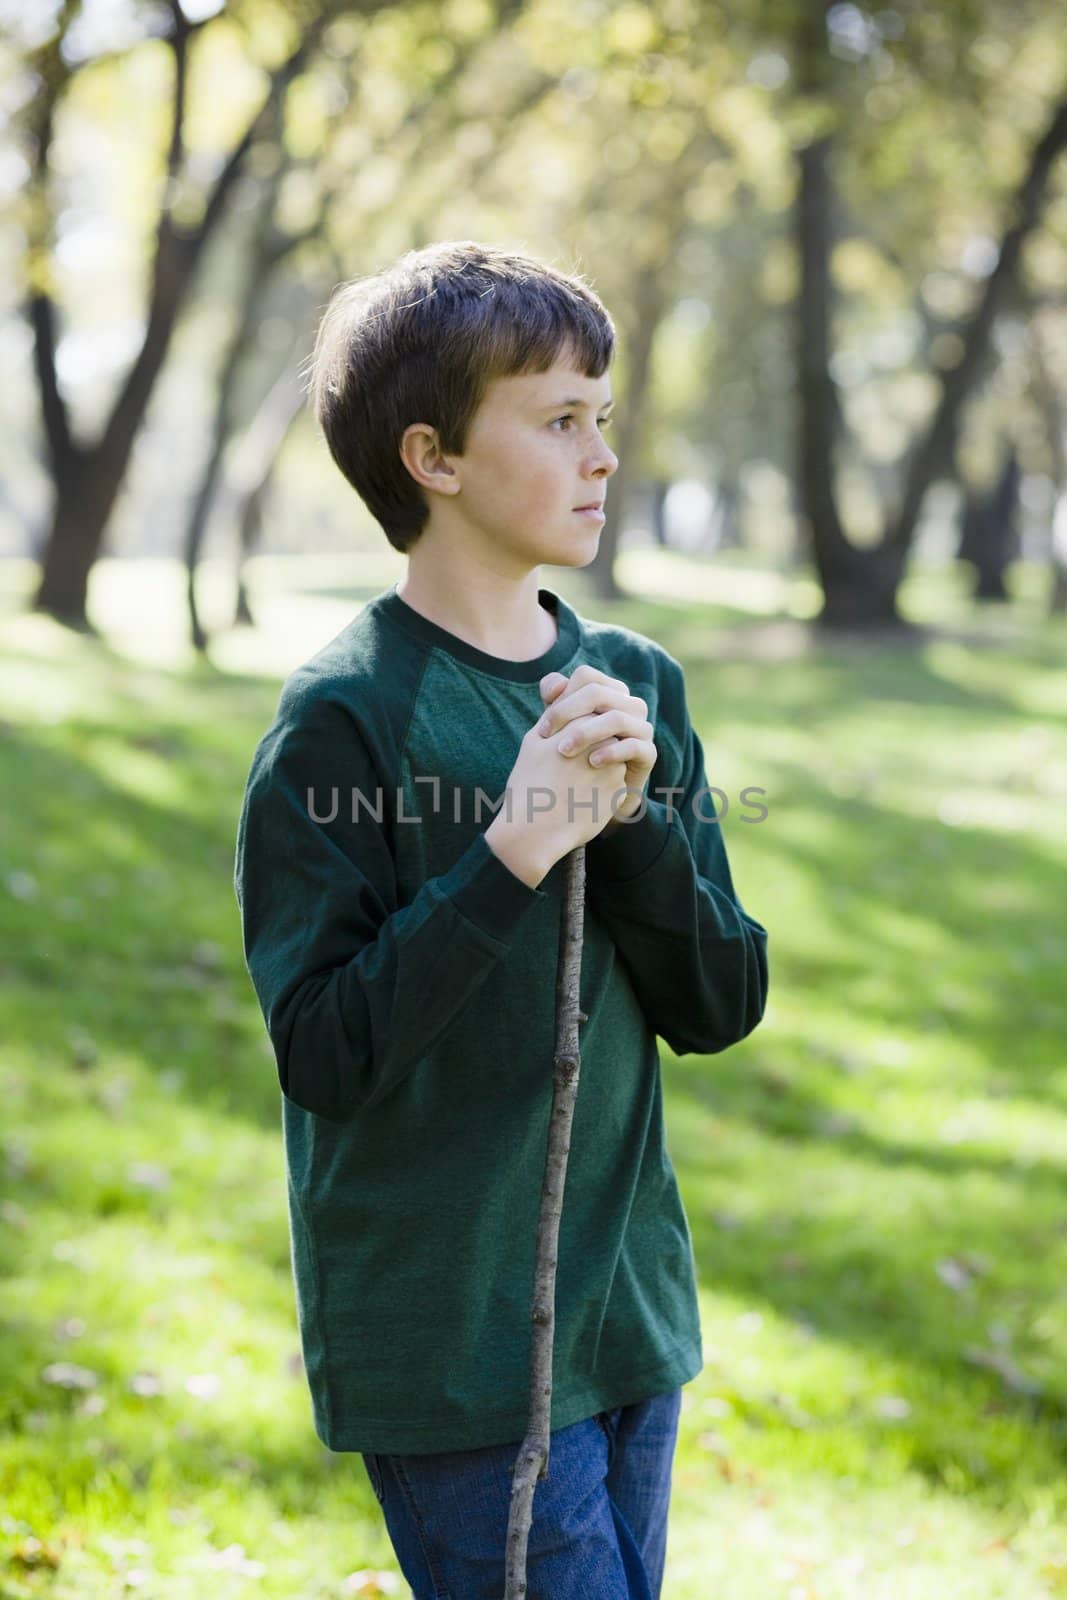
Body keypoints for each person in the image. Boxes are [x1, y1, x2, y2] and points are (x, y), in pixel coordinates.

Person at [234, 240, 769, 1598]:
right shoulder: (345, 715)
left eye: (604, 415)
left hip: (627, 1313)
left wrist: (634, 818)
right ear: (435, 458)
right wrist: (515, 847)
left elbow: (721, 1004)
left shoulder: (631, 681)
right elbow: (327, 1050)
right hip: (454, 1342)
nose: (601, 455)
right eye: (559, 419)